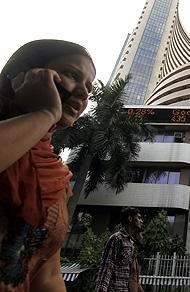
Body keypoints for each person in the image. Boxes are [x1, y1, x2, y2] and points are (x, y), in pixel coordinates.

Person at [0, 39, 96, 291]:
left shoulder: (56, 177)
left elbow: (48, 274)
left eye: (89, 87)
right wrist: (45, 114)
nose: (84, 94)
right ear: (22, 73)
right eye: (71, 74)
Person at [95, 207, 145, 292]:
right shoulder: (117, 238)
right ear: (130, 219)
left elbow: (131, 275)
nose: (141, 221)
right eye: (139, 218)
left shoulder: (131, 243)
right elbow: (107, 267)